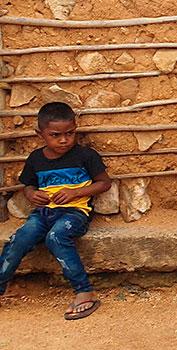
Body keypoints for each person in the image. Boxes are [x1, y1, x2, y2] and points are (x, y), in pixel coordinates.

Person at [0, 103, 111, 320]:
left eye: (69, 133)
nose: (63, 140)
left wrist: (74, 192)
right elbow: (28, 186)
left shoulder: (85, 155)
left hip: (75, 213)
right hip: (42, 213)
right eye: (55, 135)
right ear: (39, 133)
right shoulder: (36, 159)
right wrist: (31, 194)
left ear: (75, 129)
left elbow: (103, 183)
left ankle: (84, 292)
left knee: (56, 237)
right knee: (19, 239)